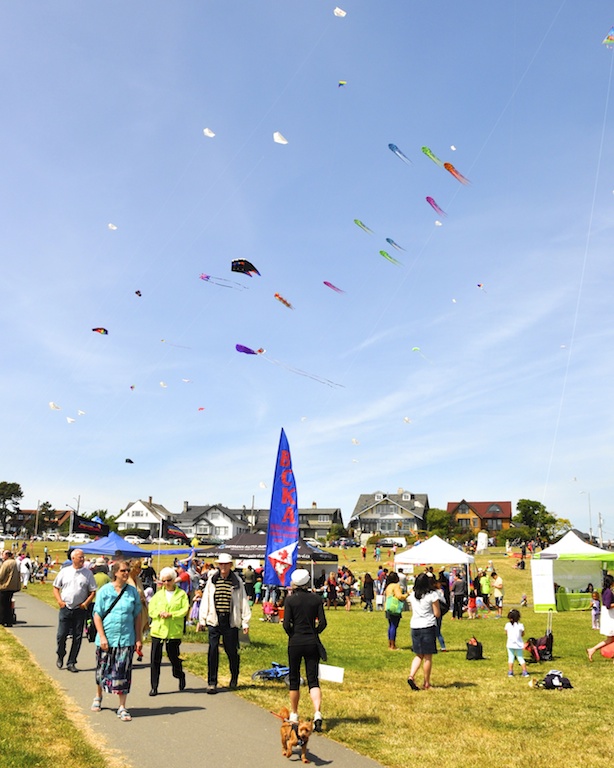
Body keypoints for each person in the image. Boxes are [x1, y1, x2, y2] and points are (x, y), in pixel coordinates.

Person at [91, 560, 143, 720]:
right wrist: (102, 636)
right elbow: (97, 614)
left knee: (123, 672)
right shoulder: (105, 591)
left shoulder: (132, 592)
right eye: (123, 571)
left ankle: (122, 706)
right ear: (115, 573)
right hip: (107, 638)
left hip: (126, 638)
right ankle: (98, 697)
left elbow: (138, 615)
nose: (126, 573)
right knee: (102, 670)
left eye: (127, 570)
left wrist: (138, 638)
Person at [199, 553, 251, 693]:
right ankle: (212, 682)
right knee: (213, 650)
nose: (223, 567)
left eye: (226, 564)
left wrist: (245, 622)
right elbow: (206, 599)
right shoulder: (213, 580)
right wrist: (202, 619)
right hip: (214, 620)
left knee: (231, 651)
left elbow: (243, 601)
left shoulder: (237, 581)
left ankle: (234, 676)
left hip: (230, 620)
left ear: (230, 565)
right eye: (221, 564)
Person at [283, 568, 327, 732]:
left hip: (295, 641)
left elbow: (286, 624)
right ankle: (317, 713)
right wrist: (314, 632)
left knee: (294, 678)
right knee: (313, 679)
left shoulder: (290, 600)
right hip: (311, 641)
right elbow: (323, 623)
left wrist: (292, 634)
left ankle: (294, 713)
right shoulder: (316, 599)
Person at [148, 566, 190, 696]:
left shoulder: (181, 594)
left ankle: (179, 674)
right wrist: (159, 613)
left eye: (169, 580)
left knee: (173, 657)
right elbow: (151, 609)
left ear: (174, 580)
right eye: (164, 581)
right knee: (155, 659)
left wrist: (171, 614)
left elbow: (184, 610)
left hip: (173, 631)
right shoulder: (158, 595)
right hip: (158, 630)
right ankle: (154, 686)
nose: (166, 583)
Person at [53, 549, 97, 672]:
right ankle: (60, 654)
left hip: (80, 609)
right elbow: (56, 587)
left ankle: (72, 661)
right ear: (73, 559)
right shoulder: (65, 571)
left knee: (77, 637)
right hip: (65, 607)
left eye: (83, 557)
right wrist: (60, 601)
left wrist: (85, 603)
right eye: (80, 557)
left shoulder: (88, 574)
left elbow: (93, 591)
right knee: (61, 635)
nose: (82, 559)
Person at [407, 572, 440, 691]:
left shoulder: (412, 595)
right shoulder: (432, 595)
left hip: (415, 625)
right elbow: (437, 613)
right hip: (427, 625)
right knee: (427, 656)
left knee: (418, 655)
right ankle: (426, 682)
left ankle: (411, 676)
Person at [588, 575, 614, 661]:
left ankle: (593, 649)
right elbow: (608, 605)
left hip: (608, 616)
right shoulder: (608, 592)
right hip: (610, 617)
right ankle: (593, 649)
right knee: (610, 639)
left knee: (610, 639)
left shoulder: (605, 591)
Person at [384, 572, 407, 650]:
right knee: (394, 626)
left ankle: (390, 644)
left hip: (388, 607)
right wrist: (407, 595)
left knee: (390, 626)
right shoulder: (396, 586)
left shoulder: (388, 586)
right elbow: (399, 596)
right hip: (394, 608)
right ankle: (393, 645)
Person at [504, 609, 529, 677]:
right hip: (519, 644)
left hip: (510, 644)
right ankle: (524, 671)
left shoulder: (507, 625)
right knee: (520, 658)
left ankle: (510, 672)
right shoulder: (520, 625)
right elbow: (522, 634)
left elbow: (506, 633)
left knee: (511, 658)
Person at [0, 550, 21, 626]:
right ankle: (9, 620)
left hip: (5, 586)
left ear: (6, 555)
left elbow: (1, 575)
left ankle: (2, 620)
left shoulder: (6, 563)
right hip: (12, 586)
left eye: (3, 554)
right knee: (9, 604)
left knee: (2, 604)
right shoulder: (15, 562)